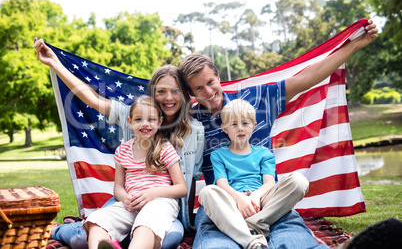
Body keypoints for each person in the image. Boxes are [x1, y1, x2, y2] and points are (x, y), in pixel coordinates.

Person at [178, 20, 379, 248]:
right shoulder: (189, 123)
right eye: (198, 89)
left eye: (210, 82)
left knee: (293, 240)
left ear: (217, 76)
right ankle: (250, 237)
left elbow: (306, 79)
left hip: (268, 198)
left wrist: (353, 46)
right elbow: (152, 116)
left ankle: (258, 226)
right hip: (223, 205)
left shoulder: (257, 99)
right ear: (190, 93)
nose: (208, 92)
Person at [34, 38, 204, 248]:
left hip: (162, 206)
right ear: (152, 94)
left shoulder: (194, 132)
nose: (168, 97)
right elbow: (93, 100)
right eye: (161, 91)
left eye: (175, 91)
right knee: (81, 240)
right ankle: (65, 230)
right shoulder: (132, 115)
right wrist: (55, 64)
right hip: (128, 202)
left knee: (169, 238)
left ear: (184, 95)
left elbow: (186, 185)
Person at [199, 99, 309, 249]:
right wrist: (240, 199)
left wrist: (255, 196)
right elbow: (221, 184)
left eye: (245, 123)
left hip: (262, 199)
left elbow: (269, 183)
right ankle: (252, 242)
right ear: (224, 128)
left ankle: (255, 223)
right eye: (233, 124)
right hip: (233, 201)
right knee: (207, 192)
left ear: (254, 126)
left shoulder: (264, 153)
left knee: (299, 181)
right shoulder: (218, 155)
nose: (240, 129)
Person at [82, 95, 187, 249]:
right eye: (138, 119)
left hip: (159, 202)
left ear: (160, 122)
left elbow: (181, 188)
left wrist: (153, 193)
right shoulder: (122, 151)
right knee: (97, 219)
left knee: (146, 223)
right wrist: (126, 199)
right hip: (131, 204)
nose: (145, 124)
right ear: (130, 122)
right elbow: (118, 187)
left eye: (151, 119)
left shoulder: (164, 148)